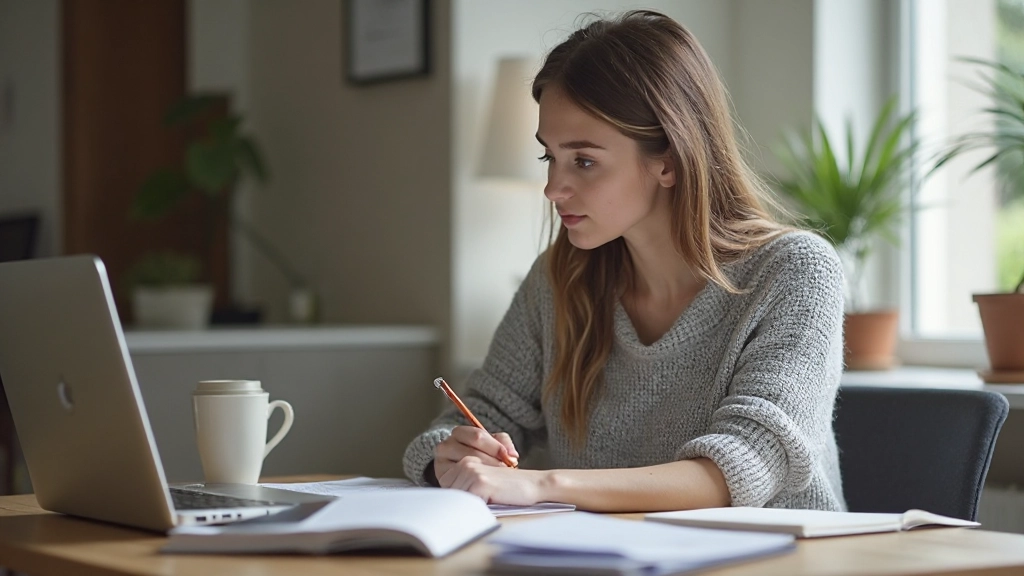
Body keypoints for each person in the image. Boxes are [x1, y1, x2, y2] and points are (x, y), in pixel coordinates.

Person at [403, 10, 846, 513]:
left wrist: (543, 485)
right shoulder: (557, 281)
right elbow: (469, 420)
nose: (553, 188)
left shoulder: (794, 272)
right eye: (550, 156)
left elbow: (740, 466)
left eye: (584, 161)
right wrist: (452, 455)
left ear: (668, 161)